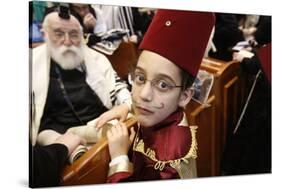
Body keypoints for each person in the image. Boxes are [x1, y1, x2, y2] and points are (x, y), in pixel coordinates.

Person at [99, 9, 215, 182]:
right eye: (140, 78)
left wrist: (119, 159)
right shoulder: (161, 112)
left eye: (162, 85)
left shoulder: (171, 159)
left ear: (184, 96)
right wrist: (127, 106)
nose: (144, 95)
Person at [31, 10, 131, 148]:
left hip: (100, 127)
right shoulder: (30, 64)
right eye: (59, 34)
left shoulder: (96, 59)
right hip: (58, 139)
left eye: (74, 34)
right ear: (45, 34)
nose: (67, 41)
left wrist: (126, 105)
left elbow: (118, 87)